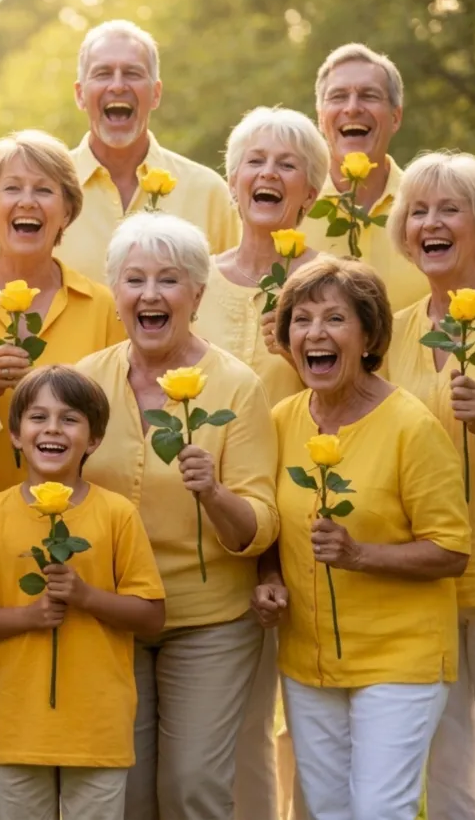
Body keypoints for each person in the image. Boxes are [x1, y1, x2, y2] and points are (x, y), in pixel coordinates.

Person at [0, 129, 126, 820]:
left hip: (81, 542)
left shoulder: (100, 306)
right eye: (12, 187)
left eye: (45, 189)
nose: (28, 201)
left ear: (67, 210)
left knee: (78, 719)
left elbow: (112, 423)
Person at [77, 213, 278, 820]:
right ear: (117, 295)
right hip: (114, 616)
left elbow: (261, 522)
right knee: (127, 794)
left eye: (169, 280)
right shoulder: (86, 383)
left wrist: (214, 494)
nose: (150, 294)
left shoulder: (237, 388)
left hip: (210, 620)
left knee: (192, 788)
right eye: (134, 280)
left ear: (196, 293)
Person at [253, 256, 470, 820]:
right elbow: (273, 525)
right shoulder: (280, 420)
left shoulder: (411, 426)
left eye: (334, 319)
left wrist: (358, 555)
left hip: (403, 659)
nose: (315, 334)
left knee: (379, 811)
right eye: (301, 320)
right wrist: (269, 578)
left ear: (369, 336)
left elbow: (451, 550)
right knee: (327, 812)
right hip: (308, 661)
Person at [0, 365, 166, 820]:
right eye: (38, 417)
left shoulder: (116, 514)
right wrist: (29, 617)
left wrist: (86, 597)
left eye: (70, 419)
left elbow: (151, 616)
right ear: (14, 434)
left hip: (98, 730)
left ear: (93, 440)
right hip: (19, 728)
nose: (52, 429)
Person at [194, 105, 329, 820]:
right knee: (237, 726)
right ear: (232, 179)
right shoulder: (195, 281)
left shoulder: (333, 284)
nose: (268, 174)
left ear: (311, 191)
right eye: (255, 160)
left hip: (314, 515)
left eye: (287, 164)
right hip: (221, 524)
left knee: (313, 722)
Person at [381, 152, 475, 819]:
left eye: (448, 209)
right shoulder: (393, 333)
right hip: (423, 579)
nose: (429, 222)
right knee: (447, 768)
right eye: (418, 211)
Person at [60, 20, 239, 284]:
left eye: (132, 73)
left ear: (155, 94)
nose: (118, 86)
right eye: (103, 73)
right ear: (80, 94)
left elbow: (233, 296)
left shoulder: (207, 191)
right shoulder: (47, 190)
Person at [299, 43, 427, 310]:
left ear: (395, 117)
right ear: (321, 118)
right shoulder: (291, 209)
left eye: (369, 95)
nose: (353, 108)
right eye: (338, 96)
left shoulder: (430, 211)